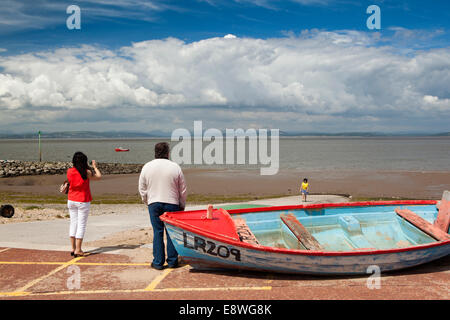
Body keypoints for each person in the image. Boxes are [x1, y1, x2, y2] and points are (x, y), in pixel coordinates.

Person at [138, 142, 187, 270]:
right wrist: (182, 204)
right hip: (172, 203)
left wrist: (146, 200)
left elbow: (142, 188)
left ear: (155, 152)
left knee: (157, 232)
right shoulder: (175, 167)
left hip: (154, 202)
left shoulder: (147, 167)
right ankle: (172, 261)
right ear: (168, 153)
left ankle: (158, 262)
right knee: (171, 232)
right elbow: (182, 189)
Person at [67, 152, 102, 257]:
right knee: (81, 225)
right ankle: (78, 249)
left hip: (71, 199)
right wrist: (95, 167)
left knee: (73, 223)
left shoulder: (69, 171)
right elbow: (99, 177)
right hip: (82, 200)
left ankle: (73, 248)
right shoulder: (86, 172)